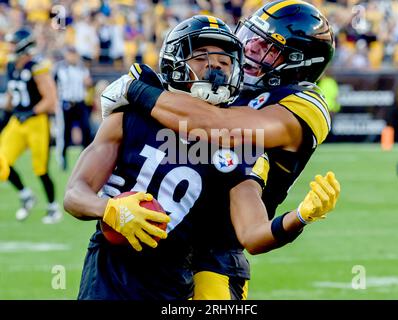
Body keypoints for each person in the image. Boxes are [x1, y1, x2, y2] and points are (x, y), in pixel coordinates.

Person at [101, 0, 338, 300]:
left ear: (298, 62)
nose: (249, 48)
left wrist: (137, 90)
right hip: (162, 240)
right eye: (252, 37)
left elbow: (220, 127)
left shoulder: (306, 104)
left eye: (268, 47)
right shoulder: (229, 81)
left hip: (214, 256)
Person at [0, 27, 62, 224]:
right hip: (17, 120)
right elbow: (12, 95)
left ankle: (53, 207)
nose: (9, 47)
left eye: (12, 43)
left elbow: (51, 100)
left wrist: (32, 111)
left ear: (22, 46)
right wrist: (7, 106)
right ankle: (26, 195)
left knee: (40, 168)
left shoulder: (37, 67)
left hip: (36, 121)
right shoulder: (11, 66)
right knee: (2, 162)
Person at [54, 46, 93, 171]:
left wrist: (88, 83)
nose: (72, 57)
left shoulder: (82, 68)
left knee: (86, 131)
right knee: (64, 133)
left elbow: (88, 84)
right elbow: (52, 85)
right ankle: (62, 159)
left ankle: (87, 159)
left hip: (80, 103)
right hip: (66, 103)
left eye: (74, 54)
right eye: (70, 54)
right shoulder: (59, 68)